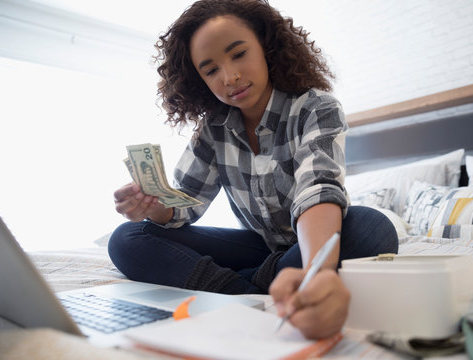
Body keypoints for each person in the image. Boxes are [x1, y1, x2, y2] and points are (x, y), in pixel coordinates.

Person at [109, 0, 398, 340]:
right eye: (211, 70)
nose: (230, 77)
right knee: (128, 237)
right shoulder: (213, 129)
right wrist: (153, 205)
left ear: (265, 45)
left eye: (239, 54)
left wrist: (314, 272)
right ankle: (244, 291)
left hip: (309, 243)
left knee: (371, 228)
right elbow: (184, 204)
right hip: (263, 250)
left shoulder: (316, 108)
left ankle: (251, 284)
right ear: (199, 79)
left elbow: (317, 189)